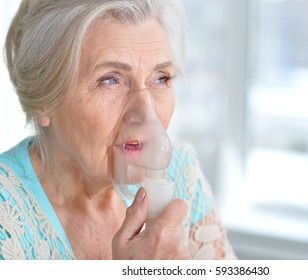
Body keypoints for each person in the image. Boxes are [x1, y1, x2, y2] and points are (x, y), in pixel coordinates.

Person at [0, 0, 236, 260]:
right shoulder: (7, 217)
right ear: (44, 100)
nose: (148, 115)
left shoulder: (181, 172)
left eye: (161, 78)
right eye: (110, 80)